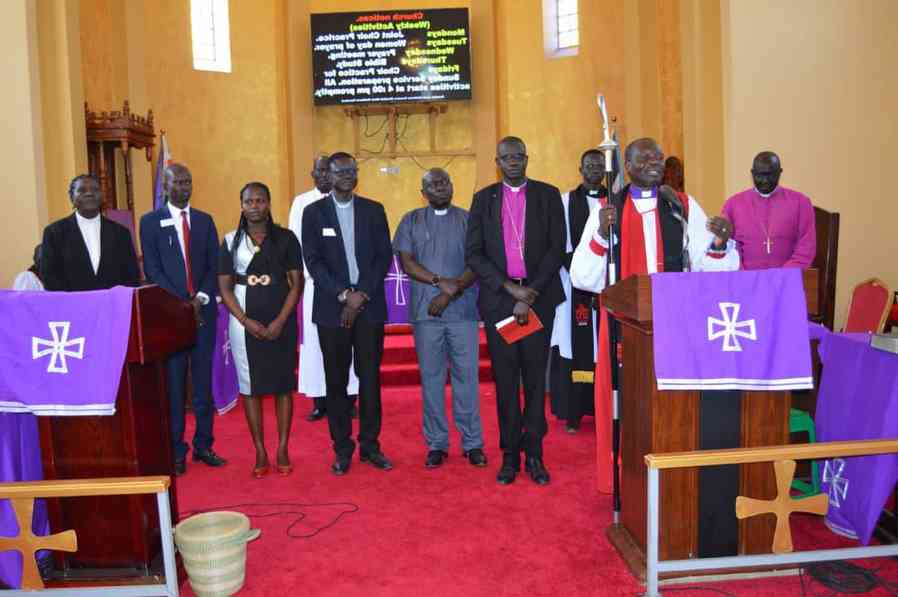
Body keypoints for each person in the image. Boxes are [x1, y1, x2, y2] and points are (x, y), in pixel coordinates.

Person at [465, 136, 566, 486]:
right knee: (506, 382)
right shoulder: (483, 200)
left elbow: (556, 249)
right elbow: (474, 254)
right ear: (497, 161)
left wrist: (530, 293)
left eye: (518, 156)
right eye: (506, 157)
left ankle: (535, 455)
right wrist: (511, 291)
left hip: (538, 299)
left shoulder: (548, 195)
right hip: (500, 302)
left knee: (536, 382)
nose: (512, 161)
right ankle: (509, 456)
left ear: (527, 158)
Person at [302, 152, 394, 475]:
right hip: (332, 309)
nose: (347, 175)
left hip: (368, 308)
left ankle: (371, 446)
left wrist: (361, 295)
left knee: (370, 379)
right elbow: (313, 261)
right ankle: (342, 449)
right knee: (336, 382)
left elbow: (384, 256)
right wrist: (344, 294)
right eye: (340, 170)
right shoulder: (313, 213)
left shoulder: (373, 210)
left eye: (352, 170)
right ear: (327, 174)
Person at [393, 168, 485, 469]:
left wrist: (451, 291)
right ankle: (437, 443)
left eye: (444, 181)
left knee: (467, 379)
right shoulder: (411, 220)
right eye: (433, 184)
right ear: (423, 192)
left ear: (452, 185)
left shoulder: (469, 219)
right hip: (425, 313)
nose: (440, 187)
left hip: (463, 312)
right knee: (431, 380)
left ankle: (472, 443)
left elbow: (478, 260)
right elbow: (407, 262)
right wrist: (437, 282)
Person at [140, 163, 226, 476]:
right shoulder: (150, 222)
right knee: (174, 388)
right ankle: (176, 449)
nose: (183, 187)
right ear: (165, 185)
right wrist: (181, 303)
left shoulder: (204, 221)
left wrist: (200, 299)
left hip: (203, 314)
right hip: (170, 318)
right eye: (177, 182)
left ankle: (204, 445)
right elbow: (153, 269)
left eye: (188, 181)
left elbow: (213, 265)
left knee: (203, 385)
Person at [570, 137, 740, 292]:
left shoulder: (683, 205)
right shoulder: (607, 209)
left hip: (674, 308)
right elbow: (581, 277)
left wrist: (719, 244)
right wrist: (601, 235)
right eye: (644, 158)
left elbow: (704, 267)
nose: (654, 163)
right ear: (628, 165)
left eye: (659, 158)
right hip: (625, 317)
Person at [219, 182, 303, 478]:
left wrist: (280, 321)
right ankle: (260, 450)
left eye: (260, 200)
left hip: (281, 319)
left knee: (282, 386)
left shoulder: (286, 239)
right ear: (241, 205)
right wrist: (244, 320)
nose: (254, 205)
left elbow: (297, 283)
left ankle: (281, 448)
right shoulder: (230, 240)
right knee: (250, 387)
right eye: (248, 201)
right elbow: (225, 287)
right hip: (245, 322)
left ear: (268, 204)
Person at [288, 155, 359, 422]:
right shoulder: (302, 203)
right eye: (317, 170)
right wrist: (319, 281)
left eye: (325, 170)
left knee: (349, 347)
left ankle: (349, 399)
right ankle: (320, 399)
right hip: (314, 287)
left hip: (350, 292)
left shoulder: (352, 202)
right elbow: (298, 246)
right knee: (317, 346)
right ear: (313, 173)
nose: (321, 174)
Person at [550, 150, 606, 434]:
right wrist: (583, 271)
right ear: (580, 168)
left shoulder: (617, 201)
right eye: (589, 165)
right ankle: (574, 411)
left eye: (599, 165)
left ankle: (606, 411)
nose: (594, 169)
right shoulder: (564, 202)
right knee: (577, 346)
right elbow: (559, 243)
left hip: (608, 287)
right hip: (574, 286)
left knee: (605, 348)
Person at [40, 174, 140, 291]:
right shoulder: (54, 233)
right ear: (72, 197)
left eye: (95, 189)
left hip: (112, 305)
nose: (89, 193)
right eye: (82, 190)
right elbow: (50, 276)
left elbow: (132, 276)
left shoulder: (121, 233)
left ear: (102, 196)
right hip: (72, 305)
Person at [721, 151, 816, 270]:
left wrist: (782, 276)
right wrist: (744, 276)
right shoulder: (733, 205)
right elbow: (728, 247)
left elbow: (806, 247)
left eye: (770, 175)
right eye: (760, 175)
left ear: (780, 173)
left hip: (787, 281)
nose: (765, 180)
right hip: (746, 281)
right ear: (752, 173)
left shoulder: (801, 203)